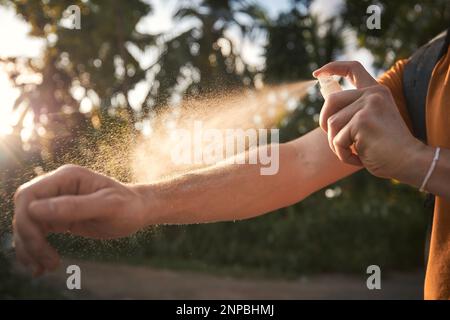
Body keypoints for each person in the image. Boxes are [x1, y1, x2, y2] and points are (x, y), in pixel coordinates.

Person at [12, 33, 450, 299]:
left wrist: (420, 162)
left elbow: (415, 161)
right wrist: (140, 200)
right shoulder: (429, 68)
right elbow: (297, 161)